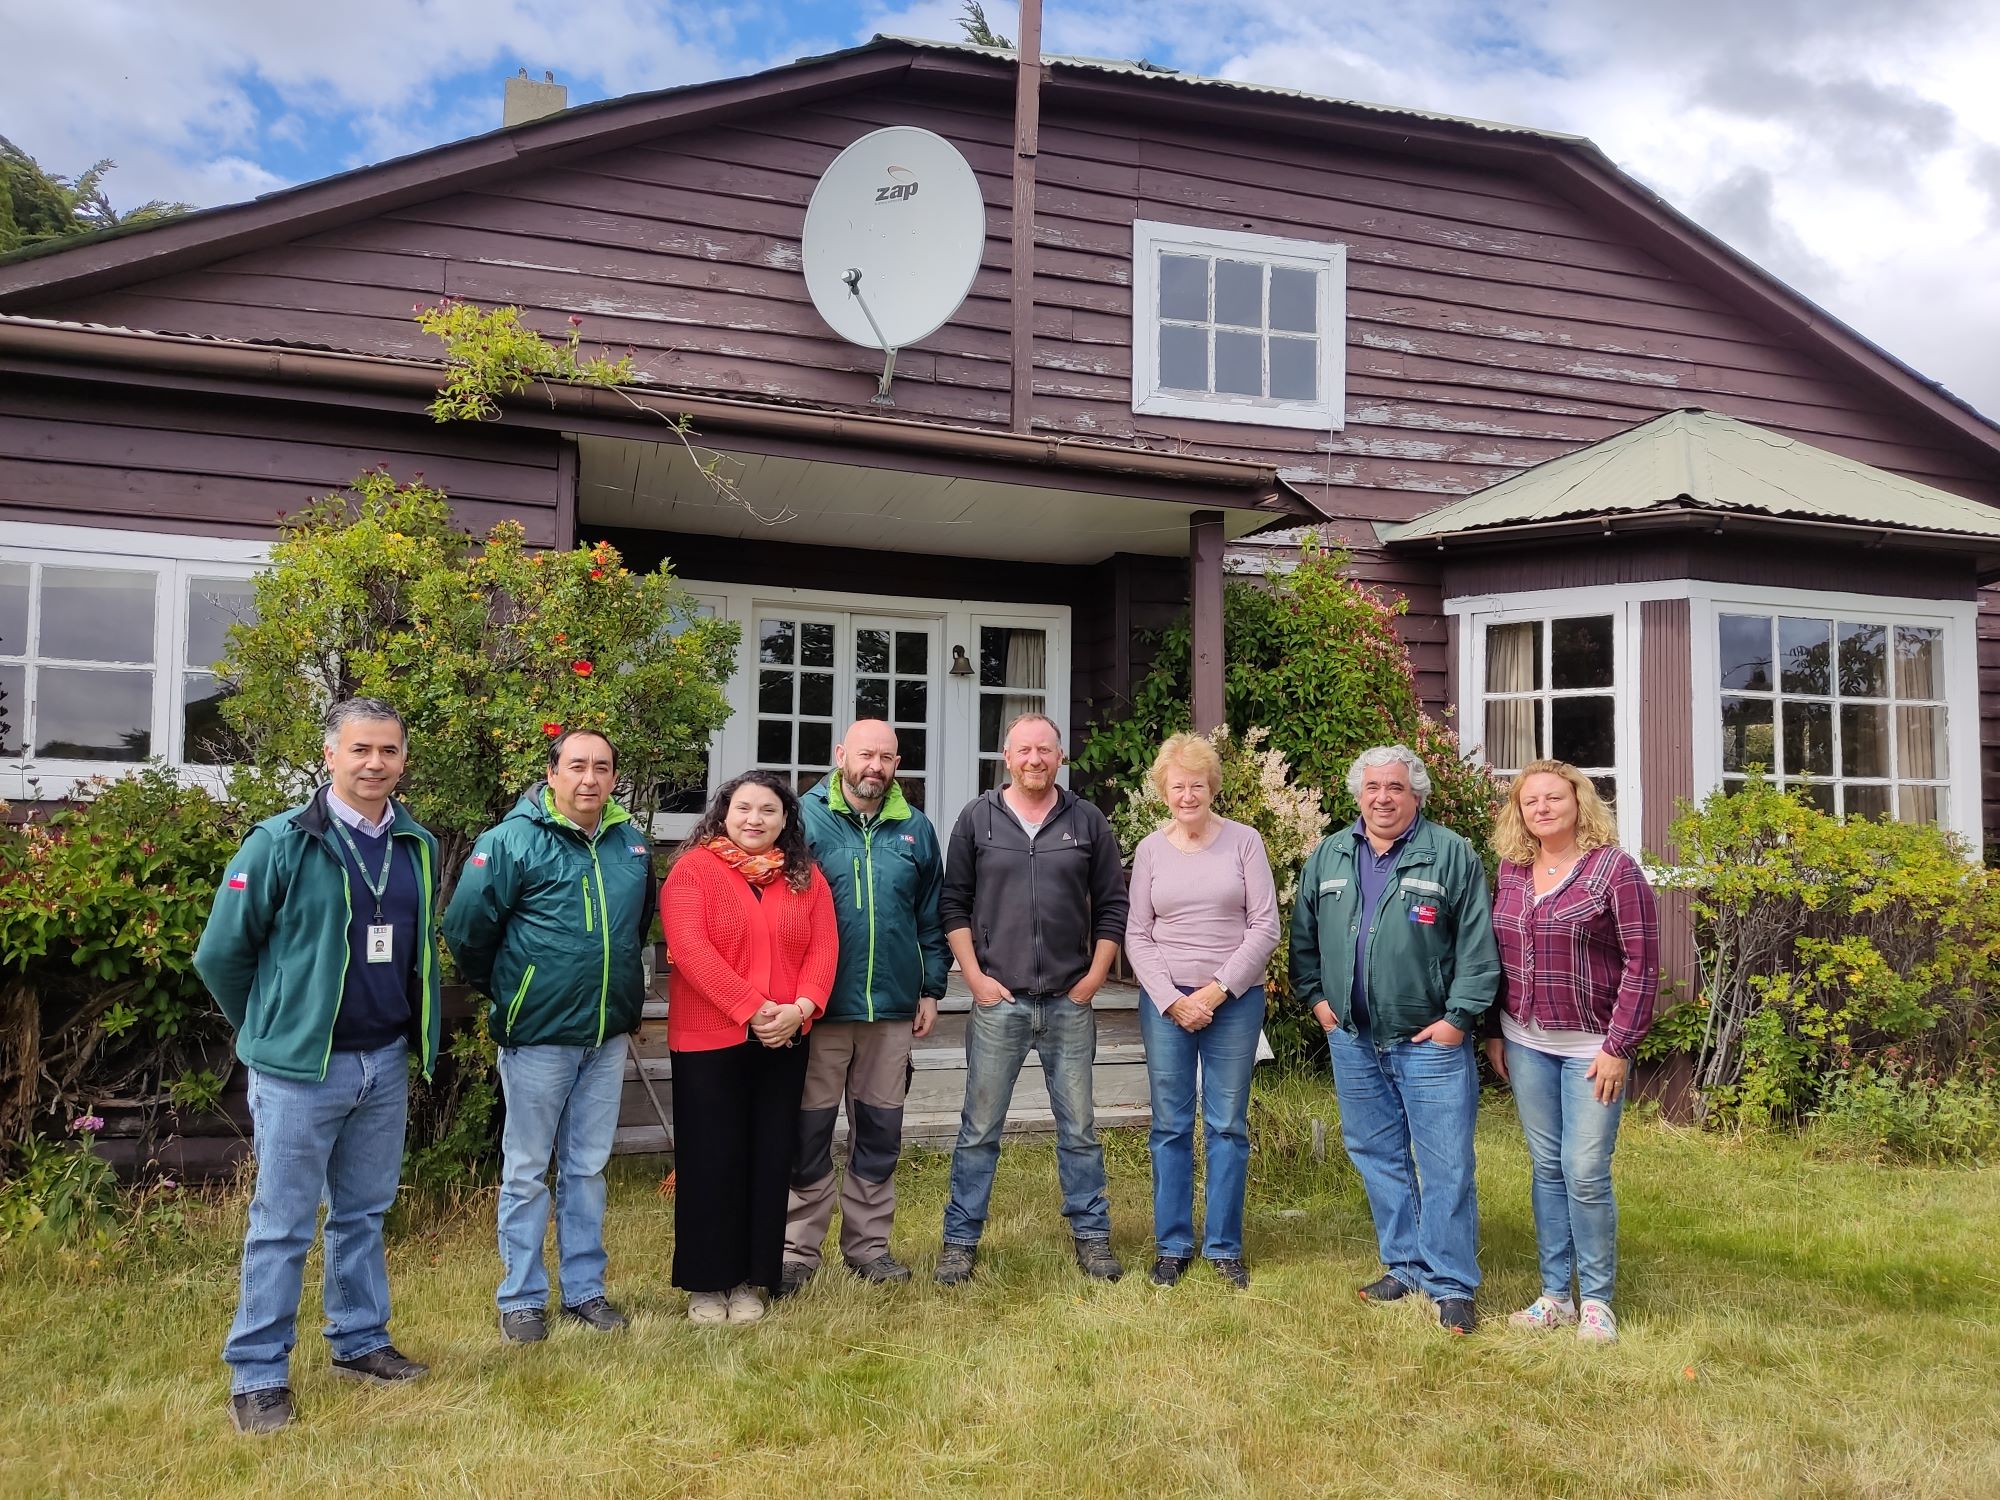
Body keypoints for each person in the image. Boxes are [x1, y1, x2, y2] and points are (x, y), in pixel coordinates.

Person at [194, 698, 442, 1435]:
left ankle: (359, 1343)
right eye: (361, 750)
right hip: (303, 1071)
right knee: (282, 1224)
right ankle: (259, 1373)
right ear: (330, 756)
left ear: (402, 760)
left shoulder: (414, 844)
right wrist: (273, 1029)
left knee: (362, 1215)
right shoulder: (278, 843)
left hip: (383, 1064)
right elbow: (221, 955)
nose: (375, 764)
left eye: (388, 752)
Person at [443, 729, 654, 1345]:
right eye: (577, 766)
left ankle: (585, 1292)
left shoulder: (631, 846)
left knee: (587, 1167)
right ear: (552, 773)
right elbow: (466, 933)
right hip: (538, 1033)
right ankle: (522, 1297)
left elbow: (635, 928)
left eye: (603, 768)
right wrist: (517, 989)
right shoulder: (511, 842)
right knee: (529, 1169)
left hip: (606, 1033)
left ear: (615, 778)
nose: (589, 779)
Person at [1290, 744, 1500, 1335]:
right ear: (1358, 793)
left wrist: (1459, 1019)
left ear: (1417, 796)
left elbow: (1478, 949)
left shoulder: (1451, 854)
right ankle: (1404, 1265)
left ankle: (1452, 1283)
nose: (1383, 798)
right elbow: (1303, 940)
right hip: (1353, 1039)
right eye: (1373, 787)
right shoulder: (1330, 854)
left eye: (1396, 788)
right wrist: (1317, 1001)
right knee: (1377, 1156)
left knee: (1446, 1165)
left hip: (1429, 1042)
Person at [935, 712, 1130, 1286]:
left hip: (1070, 1001)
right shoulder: (977, 819)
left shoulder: (1087, 821)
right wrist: (973, 976)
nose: (1034, 759)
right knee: (979, 1129)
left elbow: (1112, 905)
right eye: (1024, 750)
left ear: (1060, 757)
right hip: (1000, 1002)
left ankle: (1092, 1238)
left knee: (1079, 1130)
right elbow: (954, 904)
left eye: (1045, 750)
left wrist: (1095, 978)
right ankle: (959, 1240)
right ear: (1006, 756)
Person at [1484, 760, 1659, 1345]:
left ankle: (1598, 1302)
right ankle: (1555, 1296)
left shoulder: (1615, 871)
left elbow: (1643, 964)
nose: (1542, 809)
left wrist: (1619, 1047)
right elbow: (1495, 955)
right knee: (1546, 1169)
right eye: (1530, 801)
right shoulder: (1510, 872)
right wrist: (1493, 1031)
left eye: (1554, 798)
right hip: (1526, 1043)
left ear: (1579, 802)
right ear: (1519, 811)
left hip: (1593, 1048)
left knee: (1584, 1172)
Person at [659, 770, 837, 1324]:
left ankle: (752, 1282)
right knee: (712, 1160)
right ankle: (708, 1284)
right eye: (743, 809)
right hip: (710, 1038)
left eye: (767, 810)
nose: (754, 820)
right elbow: (690, 949)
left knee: (767, 1158)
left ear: (786, 821)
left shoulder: (806, 878)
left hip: (784, 1037)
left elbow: (824, 949)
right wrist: (753, 1009)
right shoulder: (692, 871)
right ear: (723, 813)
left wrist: (801, 1010)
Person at [780, 720, 949, 1295]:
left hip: (892, 1011)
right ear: (840, 756)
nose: (874, 766)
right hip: (818, 1008)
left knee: (879, 1133)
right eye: (864, 754)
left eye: (885, 756)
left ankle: (869, 1248)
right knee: (808, 1134)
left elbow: (932, 917)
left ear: (897, 763)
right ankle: (797, 1251)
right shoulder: (800, 820)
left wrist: (931, 988)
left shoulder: (915, 830)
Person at [1124, 734, 1280, 1290]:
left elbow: (1265, 926)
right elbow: (1137, 934)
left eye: (1197, 785)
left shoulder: (1244, 842)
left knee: (1227, 1124)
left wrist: (1214, 992)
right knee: (1169, 1125)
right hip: (1167, 1004)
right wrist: (1171, 998)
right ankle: (1172, 1246)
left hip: (1234, 1001)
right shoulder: (1149, 850)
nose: (1188, 795)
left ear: (1212, 787)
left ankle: (1223, 1247)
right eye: (1177, 786)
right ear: (1163, 791)